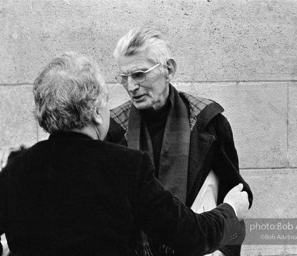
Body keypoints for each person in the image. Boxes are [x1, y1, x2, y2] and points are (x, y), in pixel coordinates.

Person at [0, 52, 250, 256]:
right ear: (97, 111)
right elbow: (189, 236)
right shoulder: (127, 167)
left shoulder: (8, 170)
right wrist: (230, 211)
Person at [106, 26, 253, 256]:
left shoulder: (209, 122)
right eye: (124, 77)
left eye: (139, 74)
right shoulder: (113, 130)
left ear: (169, 69)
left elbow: (237, 196)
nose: (131, 86)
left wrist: (222, 251)